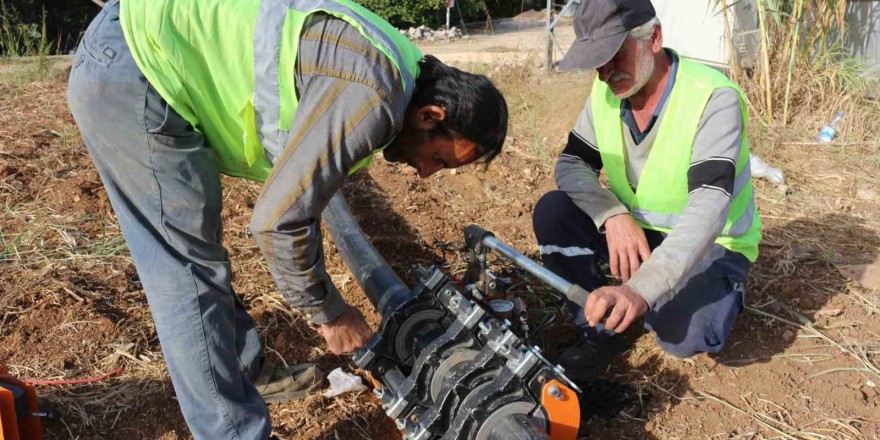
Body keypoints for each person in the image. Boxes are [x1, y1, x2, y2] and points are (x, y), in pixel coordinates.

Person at [66, 0, 508, 438]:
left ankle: (241, 371)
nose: (427, 172)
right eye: (439, 159)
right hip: (136, 69)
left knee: (198, 256)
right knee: (185, 272)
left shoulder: (403, 66)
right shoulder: (373, 94)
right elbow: (278, 220)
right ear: (431, 115)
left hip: (148, 54)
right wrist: (330, 313)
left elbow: (303, 189)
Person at [532, 0, 761, 380]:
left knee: (684, 334)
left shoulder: (712, 98)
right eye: (597, 61)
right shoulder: (606, 93)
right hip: (638, 232)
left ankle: (714, 290)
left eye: (615, 55)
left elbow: (709, 206)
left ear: (653, 38)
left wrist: (640, 291)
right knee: (553, 211)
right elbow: (571, 164)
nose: (605, 73)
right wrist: (613, 215)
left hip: (710, 243)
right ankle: (600, 326)